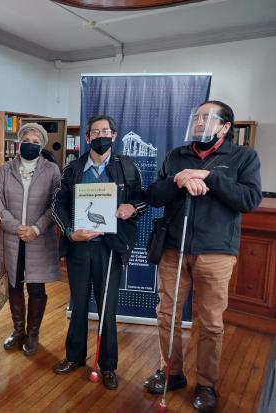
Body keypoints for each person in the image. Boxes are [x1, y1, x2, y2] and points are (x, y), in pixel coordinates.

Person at [143, 100, 262, 413]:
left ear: (225, 126)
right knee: (167, 313)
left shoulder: (243, 156)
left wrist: (208, 177)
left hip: (215, 250)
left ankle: (206, 384)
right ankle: (171, 371)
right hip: (173, 246)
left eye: (207, 117)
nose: (199, 122)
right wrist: (178, 179)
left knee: (209, 320)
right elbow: (154, 196)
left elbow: (249, 199)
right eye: (196, 116)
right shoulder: (176, 155)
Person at [52, 115, 147, 389]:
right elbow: (57, 204)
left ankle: (107, 366)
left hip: (110, 248)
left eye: (106, 131)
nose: (101, 136)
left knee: (107, 309)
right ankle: (74, 357)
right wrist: (70, 231)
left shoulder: (127, 168)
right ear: (87, 137)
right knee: (78, 304)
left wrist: (131, 208)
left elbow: (141, 200)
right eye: (95, 132)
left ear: (114, 136)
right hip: (79, 248)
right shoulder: (72, 169)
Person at [0, 123, 61, 355]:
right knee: (14, 284)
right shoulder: (6, 169)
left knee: (36, 287)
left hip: (38, 239)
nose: (30, 144)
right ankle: (18, 330)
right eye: (26, 140)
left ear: (42, 145)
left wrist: (36, 229)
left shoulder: (51, 170)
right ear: (19, 143)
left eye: (35, 141)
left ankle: (32, 333)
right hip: (11, 238)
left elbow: (55, 204)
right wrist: (15, 227)